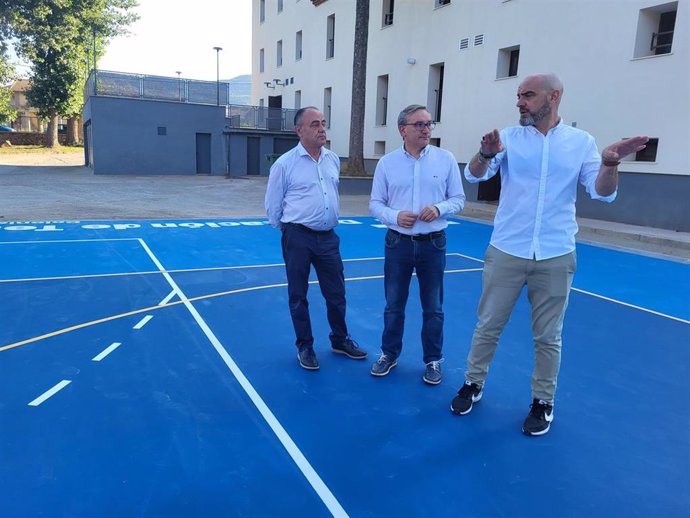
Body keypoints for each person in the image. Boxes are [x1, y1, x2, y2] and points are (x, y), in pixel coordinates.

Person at [450, 73, 648, 435]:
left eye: (527, 95)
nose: (519, 102)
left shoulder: (581, 142)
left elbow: (602, 192)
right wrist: (484, 153)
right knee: (488, 326)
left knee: (548, 336)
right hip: (507, 249)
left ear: (553, 97)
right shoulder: (507, 139)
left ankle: (543, 402)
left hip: (556, 253)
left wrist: (611, 162)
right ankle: (473, 384)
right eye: (518, 95)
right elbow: (475, 175)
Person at [369, 104, 466, 385]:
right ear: (403, 130)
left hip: (433, 245)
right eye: (419, 124)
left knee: (433, 307)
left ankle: (433, 360)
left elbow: (458, 199)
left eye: (428, 124)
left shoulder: (445, 159)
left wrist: (439, 208)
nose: (426, 129)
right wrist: (394, 215)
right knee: (394, 304)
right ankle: (389, 354)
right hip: (397, 242)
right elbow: (375, 204)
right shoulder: (387, 163)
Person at [265, 106, 367, 370]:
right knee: (298, 294)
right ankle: (305, 346)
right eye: (314, 124)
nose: (322, 128)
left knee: (336, 293)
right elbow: (273, 207)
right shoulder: (284, 165)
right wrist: (291, 231)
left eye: (323, 123)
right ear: (299, 130)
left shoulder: (332, 159)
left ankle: (340, 339)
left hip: (329, 238)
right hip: (298, 236)